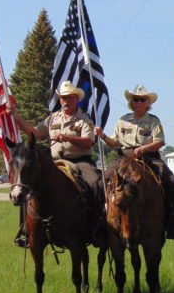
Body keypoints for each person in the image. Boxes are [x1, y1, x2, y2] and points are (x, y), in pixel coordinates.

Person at [7, 80, 104, 247]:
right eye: (63, 97)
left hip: (80, 161)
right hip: (55, 162)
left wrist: (68, 138)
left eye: (70, 97)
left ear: (76, 99)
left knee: (95, 184)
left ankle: (97, 226)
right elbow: (35, 133)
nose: (66, 101)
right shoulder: (53, 118)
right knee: (28, 186)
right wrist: (17, 117)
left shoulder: (84, 119)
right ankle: (26, 229)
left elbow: (89, 141)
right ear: (60, 100)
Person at [94, 84, 174, 241]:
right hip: (124, 157)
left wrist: (144, 148)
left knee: (172, 183)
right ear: (131, 102)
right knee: (100, 183)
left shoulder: (153, 121)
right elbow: (114, 142)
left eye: (142, 99)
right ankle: (101, 220)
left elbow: (159, 142)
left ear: (147, 102)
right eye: (136, 99)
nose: (139, 102)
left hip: (149, 157)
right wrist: (102, 135)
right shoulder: (123, 120)